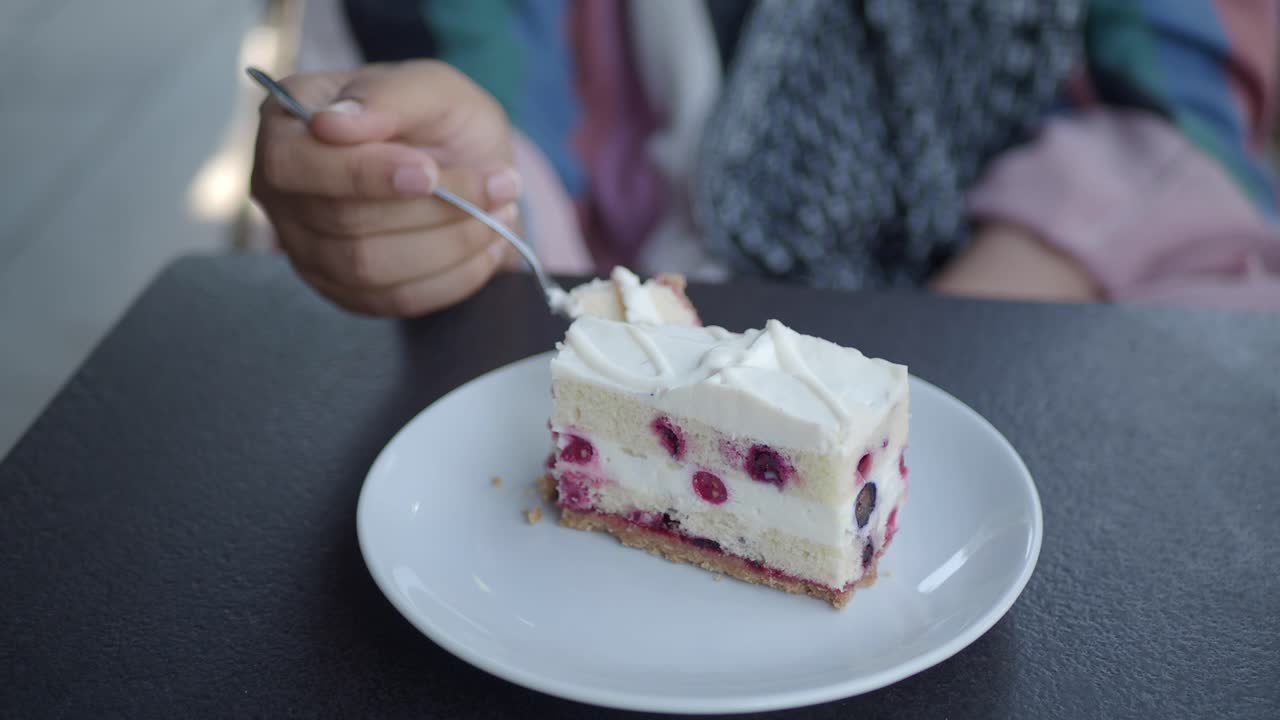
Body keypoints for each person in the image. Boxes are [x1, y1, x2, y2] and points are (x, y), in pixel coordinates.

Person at [250, 0, 1280, 317]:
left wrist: (889, 389)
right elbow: (455, 80)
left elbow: (1173, 109)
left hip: (1033, 325)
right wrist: (438, 198)